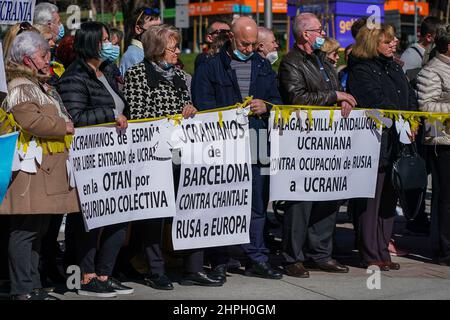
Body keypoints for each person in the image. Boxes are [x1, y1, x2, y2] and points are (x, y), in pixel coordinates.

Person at [123, 24, 222, 289]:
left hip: (182, 151)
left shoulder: (180, 75)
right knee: (155, 214)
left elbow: (189, 107)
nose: (177, 52)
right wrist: (174, 117)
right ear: (157, 48)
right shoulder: (137, 74)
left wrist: (190, 110)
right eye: (173, 47)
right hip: (154, 155)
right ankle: (155, 270)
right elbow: (139, 114)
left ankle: (194, 268)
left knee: (191, 207)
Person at [192, 16, 283, 281]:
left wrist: (266, 106)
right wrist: (230, 112)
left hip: (256, 142)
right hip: (224, 146)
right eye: (244, 43)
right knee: (223, 202)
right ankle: (219, 259)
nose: (249, 49)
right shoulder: (210, 66)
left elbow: (278, 101)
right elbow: (203, 105)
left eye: (254, 44)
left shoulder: (263, 66)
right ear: (231, 37)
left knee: (256, 204)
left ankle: (257, 257)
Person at [0, 31, 79, 300]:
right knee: (24, 231)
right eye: (43, 55)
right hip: (29, 174)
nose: (48, 59)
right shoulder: (21, 86)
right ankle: (22, 288)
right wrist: (63, 126)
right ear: (26, 58)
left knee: (38, 230)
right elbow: (30, 121)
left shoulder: (36, 84)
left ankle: (32, 284)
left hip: (43, 174)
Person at [58, 21, 132, 297]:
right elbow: (75, 119)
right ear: (89, 43)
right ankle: (85, 277)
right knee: (91, 219)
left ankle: (104, 273)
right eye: (104, 40)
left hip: (115, 156)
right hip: (90, 159)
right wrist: (110, 117)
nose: (110, 45)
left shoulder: (106, 73)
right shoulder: (74, 77)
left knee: (119, 216)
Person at [278, 13, 354, 278]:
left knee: (328, 196)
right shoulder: (291, 62)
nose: (323, 33)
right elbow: (296, 97)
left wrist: (341, 100)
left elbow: (334, 91)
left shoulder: (324, 61)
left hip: (328, 141)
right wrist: (334, 95)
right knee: (301, 201)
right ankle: (292, 257)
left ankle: (320, 253)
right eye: (319, 30)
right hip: (304, 141)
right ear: (305, 35)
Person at [347, 24, 419, 270]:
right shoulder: (362, 69)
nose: (394, 43)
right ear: (372, 43)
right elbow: (374, 100)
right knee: (371, 201)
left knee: (388, 200)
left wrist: (412, 118)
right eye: (387, 41)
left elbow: (410, 96)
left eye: (394, 39)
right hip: (374, 144)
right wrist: (400, 117)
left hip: (397, 143)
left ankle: (382, 249)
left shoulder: (394, 67)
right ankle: (370, 251)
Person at [416, 24, 450, 266]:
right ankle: (443, 249)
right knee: (445, 198)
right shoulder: (431, 71)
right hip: (442, 143)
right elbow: (426, 108)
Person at [119, 6, 161, 76]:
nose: (159, 32)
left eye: (160, 27)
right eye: (154, 28)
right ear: (138, 29)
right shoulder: (132, 56)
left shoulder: (155, 51)